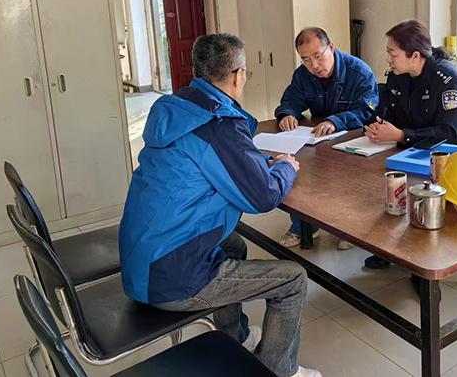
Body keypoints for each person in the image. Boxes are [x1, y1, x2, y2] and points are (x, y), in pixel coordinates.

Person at [119, 33, 322, 377]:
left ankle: (235, 338)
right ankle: (279, 370)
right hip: (170, 280)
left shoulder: (176, 108)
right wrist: (286, 166)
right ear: (237, 76)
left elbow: (212, 163)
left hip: (141, 259)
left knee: (233, 244)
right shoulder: (218, 125)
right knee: (293, 279)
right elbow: (264, 196)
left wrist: (258, 165)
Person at [364, 19, 457, 271]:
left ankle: (424, 262)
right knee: (383, 183)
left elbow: (447, 132)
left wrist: (400, 135)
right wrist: (377, 127)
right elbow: (389, 114)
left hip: (454, 155)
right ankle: (389, 247)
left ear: (415, 56)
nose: (388, 59)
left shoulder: (447, 78)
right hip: (415, 151)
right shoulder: (398, 77)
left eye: (393, 53)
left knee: (424, 195)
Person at [275, 27, 378, 250]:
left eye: (318, 56)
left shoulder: (358, 72)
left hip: (353, 142)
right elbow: (291, 100)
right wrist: (287, 114)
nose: (314, 66)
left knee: (348, 181)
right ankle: (304, 226)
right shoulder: (303, 75)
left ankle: (348, 227)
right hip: (319, 140)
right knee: (298, 167)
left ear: (330, 47)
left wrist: (336, 121)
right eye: (306, 60)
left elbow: (367, 111)